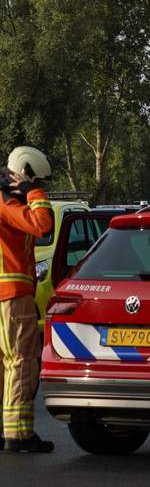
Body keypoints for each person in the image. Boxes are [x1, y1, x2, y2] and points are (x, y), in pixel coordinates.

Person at [0, 146, 55, 452]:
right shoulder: (7, 202)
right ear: (26, 173)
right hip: (11, 297)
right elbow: (42, 225)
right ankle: (19, 434)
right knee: (21, 363)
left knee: (3, 367)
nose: (41, 188)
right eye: (39, 181)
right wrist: (32, 193)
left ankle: (6, 430)